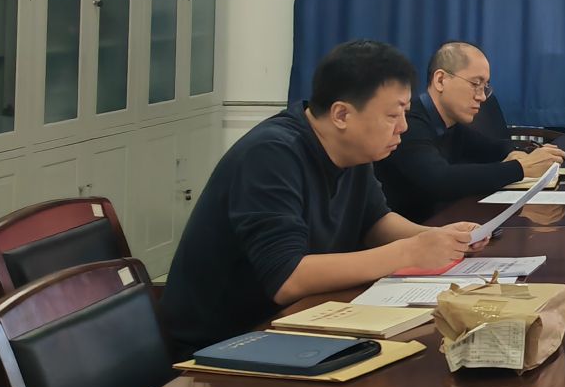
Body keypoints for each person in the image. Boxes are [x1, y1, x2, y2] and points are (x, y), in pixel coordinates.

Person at [159, 39, 485, 359]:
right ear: (341, 114)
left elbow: (376, 222)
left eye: (405, 112)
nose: (402, 127)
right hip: (224, 344)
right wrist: (409, 252)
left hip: (296, 325)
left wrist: (439, 238)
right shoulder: (271, 154)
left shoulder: (352, 150)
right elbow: (287, 278)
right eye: (392, 115)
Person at [375, 40, 564, 221]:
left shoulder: (451, 125)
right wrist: (521, 168)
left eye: (485, 87)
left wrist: (521, 152)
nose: (482, 97)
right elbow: (441, 180)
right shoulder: (409, 122)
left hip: (442, 223)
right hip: (405, 233)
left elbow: (491, 148)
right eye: (475, 84)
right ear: (440, 80)